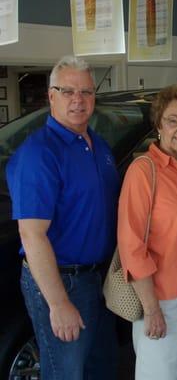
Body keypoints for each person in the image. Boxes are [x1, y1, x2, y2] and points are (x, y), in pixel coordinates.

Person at [6, 55, 119, 379]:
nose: (78, 100)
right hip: (63, 281)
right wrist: (58, 304)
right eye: (68, 91)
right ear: (50, 96)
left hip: (99, 279)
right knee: (66, 372)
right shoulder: (39, 154)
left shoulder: (97, 145)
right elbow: (32, 235)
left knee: (102, 367)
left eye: (86, 92)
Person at [117, 85, 177, 379]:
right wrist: (151, 308)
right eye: (173, 121)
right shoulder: (144, 171)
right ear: (158, 124)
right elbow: (131, 245)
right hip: (162, 299)